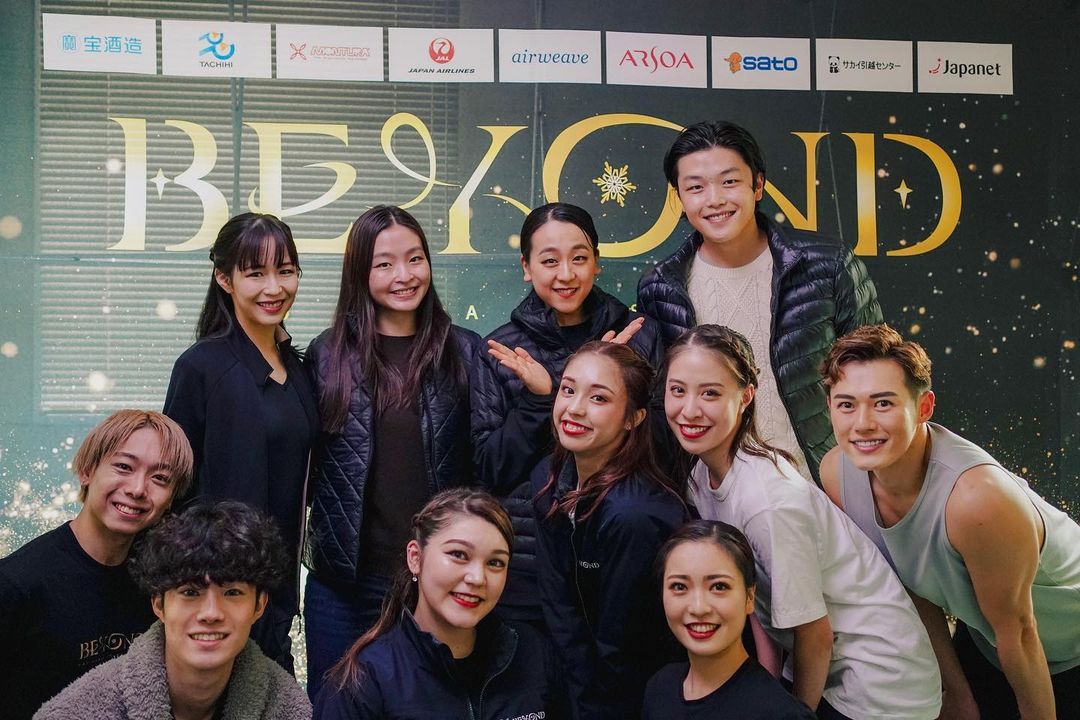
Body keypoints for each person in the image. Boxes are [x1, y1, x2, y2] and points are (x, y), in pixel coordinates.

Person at [664, 325, 941, 719]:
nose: (689, 409)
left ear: (745, 397)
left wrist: (790, 713)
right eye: (677, 390)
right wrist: (765, 684)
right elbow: (756, 598)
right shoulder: (701, 478)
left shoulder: (767, 503)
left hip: (881, 684)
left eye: (710, 393)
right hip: (824, 665)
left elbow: (816, 635)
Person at [819, 324, 1080, 720]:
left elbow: (1022, 633)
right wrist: (956, 694)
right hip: (991, 640)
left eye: (883, 403)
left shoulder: (977, 501)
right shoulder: (838, 474)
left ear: (924, 408)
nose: (862, 423)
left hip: (1060, 644)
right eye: (846, 405)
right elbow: (915, 586)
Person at [637, 120, 882, 481]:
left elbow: (879, 373)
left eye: (729, 181)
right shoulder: (661, 288)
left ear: (758, 185)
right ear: (680, 198)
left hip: (824, 484)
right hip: (714, 494)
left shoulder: (827, 265)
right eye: (696, 187)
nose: (715, 199)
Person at [303, 205, 481, 700]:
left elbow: (490, 465)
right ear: (360, 272)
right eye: (384, 264)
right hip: (344, 587)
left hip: (437, 583)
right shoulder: (327, 354)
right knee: (337, 706)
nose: (404, 276)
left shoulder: (465, 352)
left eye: (415, 259)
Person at [472, 201, 663, 627]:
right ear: (526, 267)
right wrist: (538, 401)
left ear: (596, 261)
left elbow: (661, 448)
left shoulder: (639, 337)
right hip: (530, 564)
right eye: (549, 261)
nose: (566, 274)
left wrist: (613, 375)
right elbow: (490, 469)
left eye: (579, 258)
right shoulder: (501, 351)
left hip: (621, 548)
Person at [163, 212, 316, 674]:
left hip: (277, 590)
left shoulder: (299, 367)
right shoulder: (201, 366)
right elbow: (172, 485)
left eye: (285, 271)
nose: (274, 287)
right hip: (218, 592)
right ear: (224, 279)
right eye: (255, 273)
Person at [35, 500, 311, 720]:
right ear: (159, 604)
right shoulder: (78, 711)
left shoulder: (287, 708)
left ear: (259, 605)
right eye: (190, 592)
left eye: (232, 593)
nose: (211, 613)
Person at [0, 410, 193, 720]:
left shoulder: (163, 583)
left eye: (160, 478)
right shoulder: (16, 584)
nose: (137, 489)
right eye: (123, 467)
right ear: (87, 471)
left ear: (171, 499)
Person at [533, 341, 687, 720]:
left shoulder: (636, 516)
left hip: (636, 690)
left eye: (599, 398)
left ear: (633, 418)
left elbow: (623, 645)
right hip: (579, 676)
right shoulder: (548, 479)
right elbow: (557, 600)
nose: (575, 408)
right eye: (568, 389)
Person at [315, 487, 565, 719]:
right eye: (458, 555)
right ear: (415, 557)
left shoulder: (533, 655)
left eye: (495, 563)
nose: (477, 578)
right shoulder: (363, 684)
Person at [643, 519, 815, 720]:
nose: (698, 608)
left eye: (719, 587)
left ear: (749, 597)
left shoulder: (782, 714)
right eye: (679, 587)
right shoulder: (660, 688)